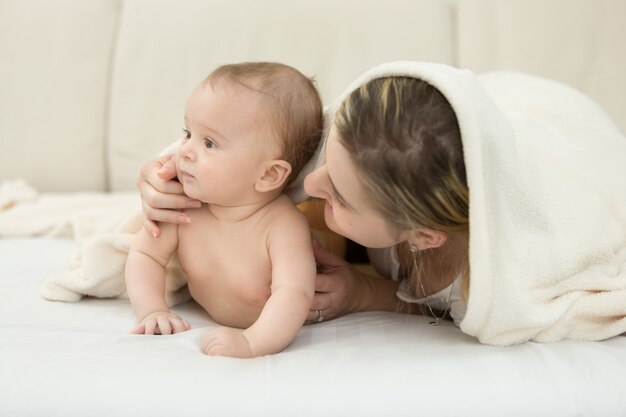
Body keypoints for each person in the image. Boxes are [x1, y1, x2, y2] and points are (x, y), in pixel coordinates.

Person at [137, 61, 626, 345]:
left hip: (570, 133)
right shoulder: (358, 140)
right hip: (484, 107)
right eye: (326, 161)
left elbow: (448, 306)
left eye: (342, 198)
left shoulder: (489, 279)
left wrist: (366, 293)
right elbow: (250, 127)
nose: (311, 185)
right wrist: (159, 177)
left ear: (422, 236)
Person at [125, 62, 323, 358]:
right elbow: (145, 255)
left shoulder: (282, 226)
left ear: (268, 175)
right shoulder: (185, 205)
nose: (185, 151)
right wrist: (152, 310)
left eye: (209, 143)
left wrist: (251, 342)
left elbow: (294, 294)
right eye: (187, 133)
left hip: (263, 328)